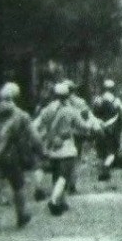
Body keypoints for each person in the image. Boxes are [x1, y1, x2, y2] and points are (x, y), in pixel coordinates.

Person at [0, 82, 44, 233]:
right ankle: (21, 215)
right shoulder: (22, 115)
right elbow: (35, 137)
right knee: (18, 185)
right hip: (13, 157)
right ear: (16, 96)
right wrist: (41, 151)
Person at [34, 81, 99, 216]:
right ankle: (54, 201)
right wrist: (92, 125)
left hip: (51, 147)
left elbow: (37, 125)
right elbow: (83, 127)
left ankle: (62, 202)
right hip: (66, 147)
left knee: (56, 175)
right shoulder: (70, 111)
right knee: (64, 176)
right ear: (68, 95)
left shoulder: (47, 109)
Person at [91, 79, 122, 181]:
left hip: (99, 127)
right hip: (112, 129)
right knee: (112, 151)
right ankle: (106, 168)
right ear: (113, 88)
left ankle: (102, 170)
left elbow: (93, 113)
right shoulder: (116, 100)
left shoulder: (97, 99)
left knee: (101, 151)